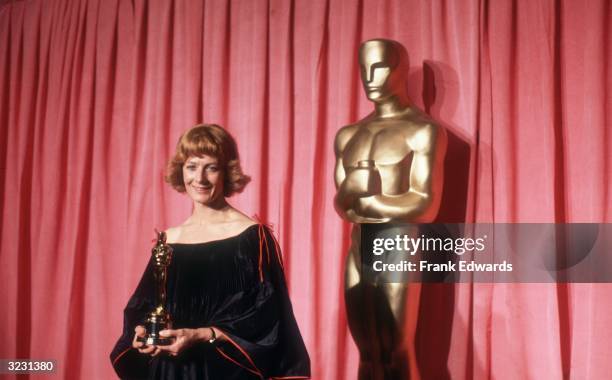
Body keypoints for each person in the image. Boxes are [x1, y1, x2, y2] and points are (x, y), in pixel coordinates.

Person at [110, 124, 310, 379]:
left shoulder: (252, 237)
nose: (200, 178)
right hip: (170, 371)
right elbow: (144, 305)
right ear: (180, 170)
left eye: (211, 167)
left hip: (226, 372)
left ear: (227, 172)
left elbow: (268, 319)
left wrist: (202, 334)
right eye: (192, 166)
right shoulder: (169, 240)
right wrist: (140, 333)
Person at [334, 39, 447, 379]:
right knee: (367, 351)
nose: (370, 77)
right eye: (364, 68)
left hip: (399, 244)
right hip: (358, 245)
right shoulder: (349, 134)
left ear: (400, 71)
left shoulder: (423, 131)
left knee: (396, 348)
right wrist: (352, 193)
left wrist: (364, 199)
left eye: (380, 67)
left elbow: (424, 205)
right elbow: (341, 205)